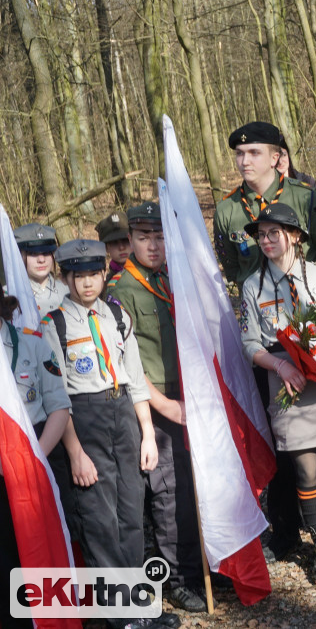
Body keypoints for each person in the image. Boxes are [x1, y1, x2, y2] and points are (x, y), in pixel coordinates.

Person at [40, 239, 174, 629]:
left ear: (104, 274)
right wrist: (76, 453)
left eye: (92, 275)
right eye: (77, 276)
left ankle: (138, 604)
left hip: (123, 416)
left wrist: (148, 433)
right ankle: (119, 616)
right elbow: (58, 397)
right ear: (65, 278)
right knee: (100, 521)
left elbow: (135, 379)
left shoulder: (116, 316)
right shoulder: (55, 325)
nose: (86, 284)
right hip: (84, 419)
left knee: (131, 513)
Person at [240, 203, 316, 582]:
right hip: (286, 381)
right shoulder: (252, 286)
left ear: (294, 235)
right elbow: (248, 342)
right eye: (260, 235)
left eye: (272, 233)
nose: (265, 241)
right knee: (306, 469)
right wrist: (281, 366)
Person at [107, 202, 205, 613]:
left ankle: (202, 564)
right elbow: (128, 362)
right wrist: (164, 405)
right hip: (156, 404)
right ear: (129, 242)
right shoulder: (119, 291)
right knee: (169, 493)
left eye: (160, 237)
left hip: (191, 396)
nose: (153, 245)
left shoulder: (173, 278)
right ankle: (179, 577)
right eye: (144, 238)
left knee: (198, 485)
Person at [0, 288, 72, 629]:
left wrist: (33, 459)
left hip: (36, 462)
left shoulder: (31, 344)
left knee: (42, 554)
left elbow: (58, 406)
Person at [214, 121, 316, 286]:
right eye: (240, 154)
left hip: (308, 301)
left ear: (274, 158)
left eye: (254, 153)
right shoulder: (226, 210)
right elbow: (233, 270)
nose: (245, 161)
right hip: (257, 305)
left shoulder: (305, 197)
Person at [14, 223, 68, 316]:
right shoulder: (8, 296)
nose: (41, 260)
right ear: (19, 255)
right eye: (33, 253)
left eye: (46, 253)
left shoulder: (69, 291)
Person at [95, 211, 132, 279]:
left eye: (125, 240)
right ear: (106, 247)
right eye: (114, 243)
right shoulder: (107, 285)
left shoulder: (151, 273)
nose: (121, 247)